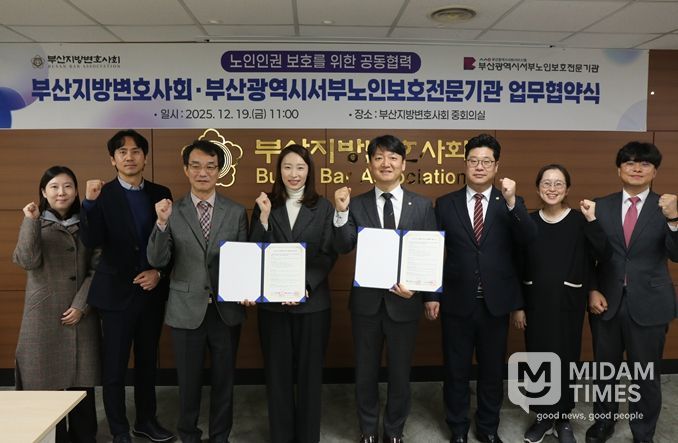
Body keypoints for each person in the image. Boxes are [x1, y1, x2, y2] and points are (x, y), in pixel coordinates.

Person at [333, 134, 438, 443]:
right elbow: (343, 246)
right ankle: (367, 430)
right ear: (370, 165)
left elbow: (430, 254)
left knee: (400, 373)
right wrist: (341, 212)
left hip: (405, 302)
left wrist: (426, 294)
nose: (386, 163)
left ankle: (394, 430)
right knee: (365, 372)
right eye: (379, 157)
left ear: (403, 164)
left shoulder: (422, 205)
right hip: (366, 304)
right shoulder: (355, 203)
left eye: (392, 157)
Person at [434, 133, 537, 443]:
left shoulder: (511, 203)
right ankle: (457, 429)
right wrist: (431, 296)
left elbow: (528, 240)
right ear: (465, 163)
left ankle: (488, 428)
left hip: (495, 303)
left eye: (486, 162)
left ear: (497, 166)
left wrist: (512, 202)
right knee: (455, 370)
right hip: (456, 301)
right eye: (474, 161)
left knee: (492, 371)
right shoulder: (445, 204)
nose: (479, 167)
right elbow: (433, 252)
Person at [147, 139, 249, 443]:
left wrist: (247, 288)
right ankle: (189, 435)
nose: (203, 173)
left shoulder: (235, 211)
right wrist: (161, 223)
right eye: (196, 166)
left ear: (219, 171)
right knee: (188, 382)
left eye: (210, 167)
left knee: (224, 381)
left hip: (225, 309)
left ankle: (220, 437)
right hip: (185, 309)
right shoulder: (171, 210)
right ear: (186, 170)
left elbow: (243, 258)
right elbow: (157, 260)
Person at [580, 141, 678, 443]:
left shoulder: (667, 207)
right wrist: (592, 290)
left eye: (645, 163)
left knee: (645, 375)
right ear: (618, 169)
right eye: (630, 162)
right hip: (606, 303)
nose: (637, 168)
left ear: (655, 171)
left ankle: (643, 432)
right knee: (604, 372)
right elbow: (587, 256)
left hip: (650, 303)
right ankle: (603, 422)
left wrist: (674, 219)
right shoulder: (601, 206)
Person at [80, 130, 174, 443]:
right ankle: (119, 429)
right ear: (112, 159)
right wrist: (89, 204)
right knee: (114, 368)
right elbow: (91, 240)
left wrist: (159, 273)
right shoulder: (101, 194)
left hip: (150, 293)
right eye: (122, 152)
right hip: (115, 294)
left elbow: (172, 241)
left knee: (147, 363)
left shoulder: (161, 192)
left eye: (136, 151)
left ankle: (146, 421)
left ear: (145, 157)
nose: (129, 157)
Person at [249, 144, 337, 443]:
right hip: (273, 307)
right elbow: (254, 250)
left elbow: (328, 254)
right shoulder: (265, 203)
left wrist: (304, 286)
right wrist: (263, 218)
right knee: (277, 376)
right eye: (287, 167)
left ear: (309, 171)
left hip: (313, 304)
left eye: (300, 167)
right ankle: (282, 436)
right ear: (279, 171)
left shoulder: (323, 207)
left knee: (310, 376)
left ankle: (308, 437)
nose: (294, 174)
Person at [12, 166, 100, 443]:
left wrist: (81, 305)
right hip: (43, 316)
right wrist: (30, 222)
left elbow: (98, 269)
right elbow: (27, 261)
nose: (61, 192)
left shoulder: (88, 224)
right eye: (54, 187)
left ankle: (84, 437)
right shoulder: (34, 222)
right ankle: (54, 438)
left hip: (80, 314)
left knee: (81, 384)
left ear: (75, 191)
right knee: (44, 386)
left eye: (67, 186)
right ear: (43, 192)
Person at [511, 164, 594, 443]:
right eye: (546, 183)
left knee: (566, 358)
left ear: (567, 189)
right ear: (538, 188)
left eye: (559, 184)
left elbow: (601, 255)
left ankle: (563, 418)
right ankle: (544, 417)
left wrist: (593, 221)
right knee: (538, 358)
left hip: (568, 303)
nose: (552, 188)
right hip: (535, 303)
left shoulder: (580, 221)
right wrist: (518, 306)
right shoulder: (528, 222)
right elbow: (517, 264)